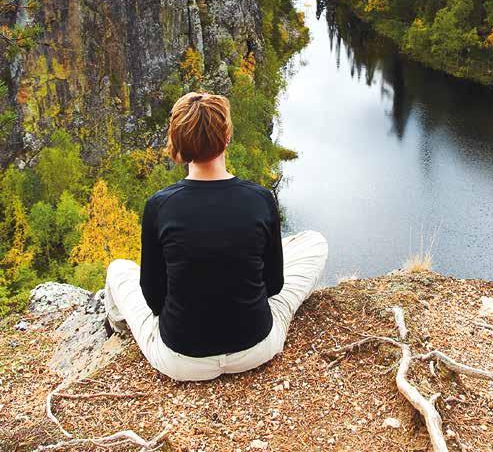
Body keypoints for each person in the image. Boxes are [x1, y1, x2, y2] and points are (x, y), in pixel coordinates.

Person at [104, 91, 328, 381]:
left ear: (177, 145)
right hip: (257, 346)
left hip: (180, 359)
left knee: (118, 269)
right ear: (227, 138)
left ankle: (117, 332)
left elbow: (154, 298)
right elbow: (273, 286)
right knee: (314, 242)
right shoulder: (260, 199)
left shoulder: (159, 206)